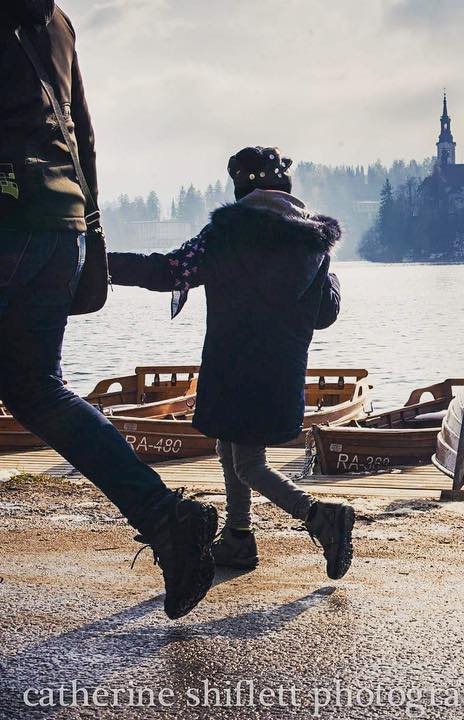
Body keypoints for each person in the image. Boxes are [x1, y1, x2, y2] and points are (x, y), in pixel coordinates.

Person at [0, 0, 217, 620]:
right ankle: (165, 516)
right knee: (38, 391)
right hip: (60, 224)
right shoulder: (59, 21)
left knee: (35, 391)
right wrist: (89, 231)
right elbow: (81, 132)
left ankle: (167, 517)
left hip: (7, 216)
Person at [108, 147, 356, 580]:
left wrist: (99, 265)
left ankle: (320, 516)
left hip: (233, 362)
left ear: (241, 187)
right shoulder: (313, 242)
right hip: (281, 370)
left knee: (248, 464)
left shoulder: (225, 233)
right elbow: (326, 315)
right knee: (232, 446)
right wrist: (326, 272)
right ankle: (239, 538)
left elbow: (170, 271)